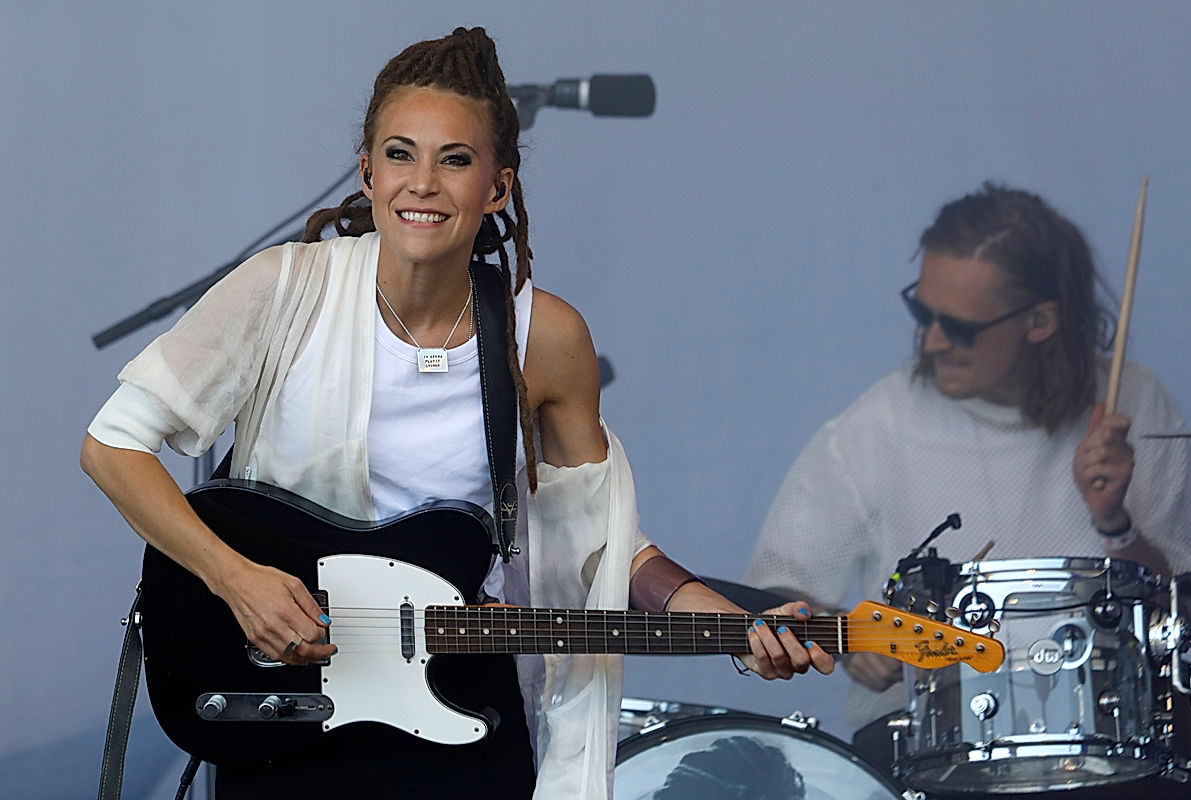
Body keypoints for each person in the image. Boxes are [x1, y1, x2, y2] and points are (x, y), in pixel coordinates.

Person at [81, 27, 832, 799]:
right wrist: (238, 581)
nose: (423, 184)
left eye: (456, 160)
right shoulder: (283, 290)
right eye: (400, 155)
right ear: (367, 172)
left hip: (460, 707)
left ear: (498, 187)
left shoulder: (544, 337)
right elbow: (112, 447)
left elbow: (600, 542)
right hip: (292, 702)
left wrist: (732, 625)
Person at [745, 182, 1191, 765]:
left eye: (959, 327)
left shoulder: (1131, 404)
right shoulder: (875, 427)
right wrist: (855, 637)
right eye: (922, 313)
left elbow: (1182, 615)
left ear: (1040, 320)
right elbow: (774, 594)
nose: (932, 341)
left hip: (1105, 741)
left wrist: (1114, 522)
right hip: (926, 750)